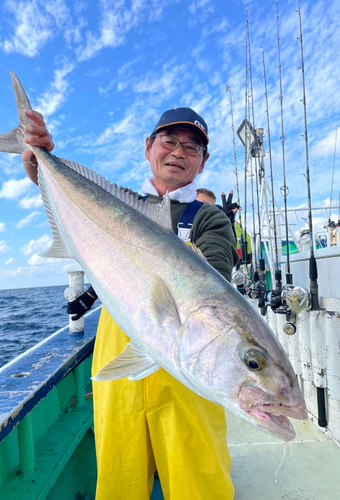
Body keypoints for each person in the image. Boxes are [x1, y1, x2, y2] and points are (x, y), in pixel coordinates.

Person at [22, 107, 239, 500]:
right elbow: (70, 204)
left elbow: (213, 292)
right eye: (169, 141)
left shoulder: (211, 220)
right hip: (120, 359)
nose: (178, 152)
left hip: (188, 373)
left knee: (199, 487)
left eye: (192, 147)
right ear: (148, 147)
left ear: (203, 162)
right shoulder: (113, 204)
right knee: (119, 485)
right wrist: (41, 163)